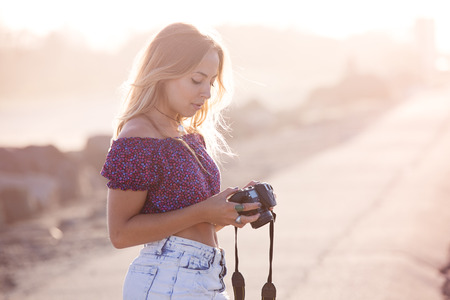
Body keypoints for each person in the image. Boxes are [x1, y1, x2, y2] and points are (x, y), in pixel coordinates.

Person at [101, 22, 262, 299]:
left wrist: (228, 212)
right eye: (197, 80)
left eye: (211, 82)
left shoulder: (188, 135)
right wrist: (203, 212)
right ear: (164, 72)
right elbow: (120, 234)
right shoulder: (138, 137)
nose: (207, 93)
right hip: (167, 281)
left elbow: (189, 225)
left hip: (204, 278)